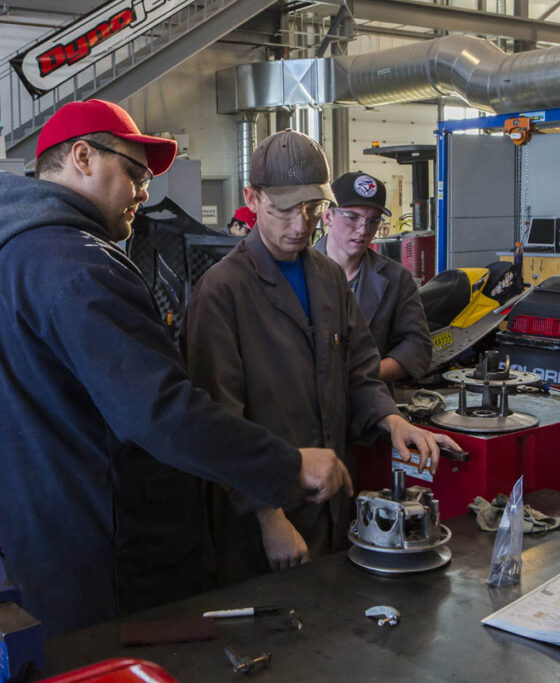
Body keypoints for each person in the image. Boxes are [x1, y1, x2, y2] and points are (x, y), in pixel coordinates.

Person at [0, 100, 351, 636]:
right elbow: (161, 411)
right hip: (91, 551)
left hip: (33, 538)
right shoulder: (78, 266)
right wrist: (286, 467)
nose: (145, 192)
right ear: (82, 157)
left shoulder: (4, 257)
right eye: (134, 173)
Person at [182, 130, 459, 582]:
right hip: (264, 517)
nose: (300, 225)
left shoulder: (328, 278)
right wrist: (268, 517)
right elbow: (218, 423)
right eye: (285, 209)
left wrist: (391, 421)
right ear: (252, 198)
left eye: (311, 209)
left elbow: (360, 372)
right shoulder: (222, 291)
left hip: (332, 501)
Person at [314, 172, 432, 383]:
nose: (363, 229)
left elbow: (417, 345)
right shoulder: (298, 271)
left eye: (373, 220)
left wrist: (367, 374)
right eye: (352, 217)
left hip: (370, 402)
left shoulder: (397, 279)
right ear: (328, 216)